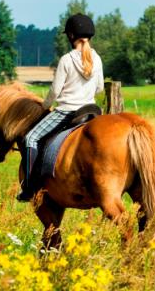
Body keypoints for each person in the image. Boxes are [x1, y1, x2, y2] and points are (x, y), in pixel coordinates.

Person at [17, 13, 104, 201]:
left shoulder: (66, 60)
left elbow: (55, 91)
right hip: (91, 109)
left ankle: (30, 188)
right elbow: (100, 88)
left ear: (71, 36)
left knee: (31, 138)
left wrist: (45, 105)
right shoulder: (97, 59)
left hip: (67, 111)